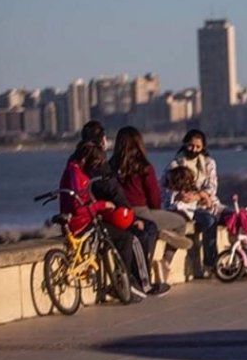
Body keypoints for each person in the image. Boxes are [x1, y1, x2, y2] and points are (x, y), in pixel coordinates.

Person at [60, 140, 154, 302]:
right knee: (125, 238)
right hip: (82, 222)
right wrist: (102, 205)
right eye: (95, 162)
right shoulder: (78, 175)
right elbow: (79, 208)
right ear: (85, 159)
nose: (96, 167)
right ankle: (123, 285)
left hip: (79, 220)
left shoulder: (72, 170)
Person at [78, 121, 157, 297]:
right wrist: (131, 214)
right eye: (104, 137)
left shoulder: (81, 156)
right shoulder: (98, 159)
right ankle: (136, 281)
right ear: (100, 140)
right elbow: (112, 189)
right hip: (102, 214)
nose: (107, 141)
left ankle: (136, 280)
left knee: (148, 229)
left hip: (93, 211)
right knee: (137, 235)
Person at [111, 126, 191, 295]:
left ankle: (161, 233)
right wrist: (155, 212)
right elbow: (154, 197)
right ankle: (166, 261)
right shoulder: (144, 167)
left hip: (119, 214)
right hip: (142, 212)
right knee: (180, 223)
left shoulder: (111, 166)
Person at [166, 129, 224, 273]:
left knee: (215, 220)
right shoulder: (175, 163)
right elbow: (166, 185)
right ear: (185, 144)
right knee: (202, 221)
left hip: (203, 203)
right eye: (191, 146)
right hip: (184, 206)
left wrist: (199, 196)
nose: (194, 150)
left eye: (198, 147)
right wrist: (181, 196)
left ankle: (211, 263)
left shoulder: (209, 163)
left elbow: (212, 186)